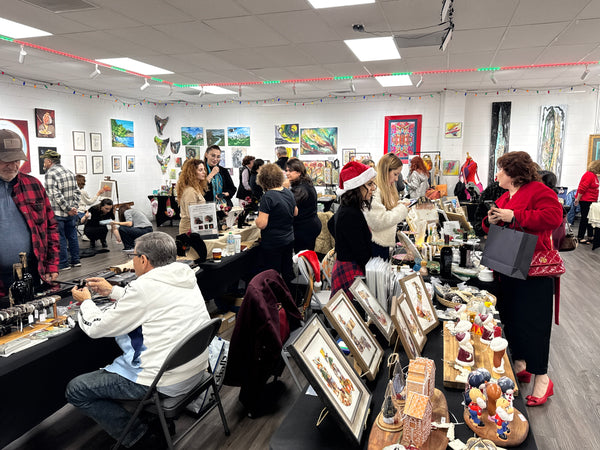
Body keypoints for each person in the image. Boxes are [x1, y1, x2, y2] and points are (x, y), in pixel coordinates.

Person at [66, 232, 211, 449]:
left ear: (143, 260)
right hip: (195, 368)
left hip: (164, 379)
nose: (132, 260)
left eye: (133, 256)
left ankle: (141, 438)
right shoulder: (183, 275)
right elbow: (154, 299)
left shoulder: (144, 288)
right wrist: (112, 291)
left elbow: (97, 328)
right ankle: (152, 423)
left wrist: (86, 302)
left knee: (76, 389)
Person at [482, 151, 563, 407]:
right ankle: (520, 362)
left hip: (533, 268)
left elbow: (554, 217)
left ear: (514, 173)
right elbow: (491, 226)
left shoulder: (538, 191)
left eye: (501, 170)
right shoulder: (505, 196)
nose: (497, 175)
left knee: (535, 323)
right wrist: (490, 220)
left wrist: (515, 216)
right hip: (509, 266)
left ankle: (542, 377)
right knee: (512, 316)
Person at [0, 129, 59, 296]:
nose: (13, 166)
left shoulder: (33, 185)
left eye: (16, 160)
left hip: (33, 272)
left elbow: (51, 227)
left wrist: (52, 265)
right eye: (6, 160)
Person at [327, 161, 376, 298]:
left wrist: (342, 242)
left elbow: (331, 224)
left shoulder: (349, 208)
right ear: (356, 187)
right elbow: (361, 252)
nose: (373, 188)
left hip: (349, 266)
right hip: (351, 270)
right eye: (369, 184)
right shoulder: (350, 213)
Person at [255, 163, 297, 285]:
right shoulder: (287, 192)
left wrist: (256, 220)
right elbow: (295, 212)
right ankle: (290, 294)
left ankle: (274, 296)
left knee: (272, 274)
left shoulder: (267, 197)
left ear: (263, 180)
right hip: (288, 238)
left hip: (273, 242)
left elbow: (262, 224)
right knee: (287, 271)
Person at [363, 154, 408, 259]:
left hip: (383, 244)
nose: (396, 179)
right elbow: (378, 221)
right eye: (395, 174)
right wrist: (401, 209)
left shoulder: (387, 189)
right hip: (375, 245)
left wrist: (400, 206)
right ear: (386, 171)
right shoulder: (375, 191)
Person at [43, 149, 81, 270]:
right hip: (71, 213)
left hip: (58, 212)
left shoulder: (50, 174)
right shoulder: (69, 172)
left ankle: (64, 263)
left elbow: (55, 195)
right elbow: (77, 192)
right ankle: (76, 260)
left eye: (44, 161)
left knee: (60, 238)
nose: (44, 163)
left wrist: (68, 209)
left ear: (49, 161)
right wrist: (74, 208)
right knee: (73, 236)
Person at [285, 159, 321, 252]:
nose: (287, 173)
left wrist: (284, 189)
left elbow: (287, 205)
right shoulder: (305, 183)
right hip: (309, 225)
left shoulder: (301, 188)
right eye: (287, 170)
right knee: (306, 255)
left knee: (303, 257)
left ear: (299, 172)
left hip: (305, 228)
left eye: (290, 171)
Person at [176, 159, 208, 234]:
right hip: (189, 229)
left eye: (204, 169)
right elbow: (191, 214)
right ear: (192, 172)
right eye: (200, 170)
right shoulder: (190, 191)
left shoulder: (196, 188)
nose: (204, 172)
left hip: (196, 227)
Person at [574, 160, 600, 244]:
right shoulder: (589, 175)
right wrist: (577, 199)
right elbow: (582, 188)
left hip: (592, 200)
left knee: (590, 219)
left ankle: (590, 236)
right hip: (586, 200)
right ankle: (580, 237)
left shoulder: (594, 176)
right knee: (585, 218)